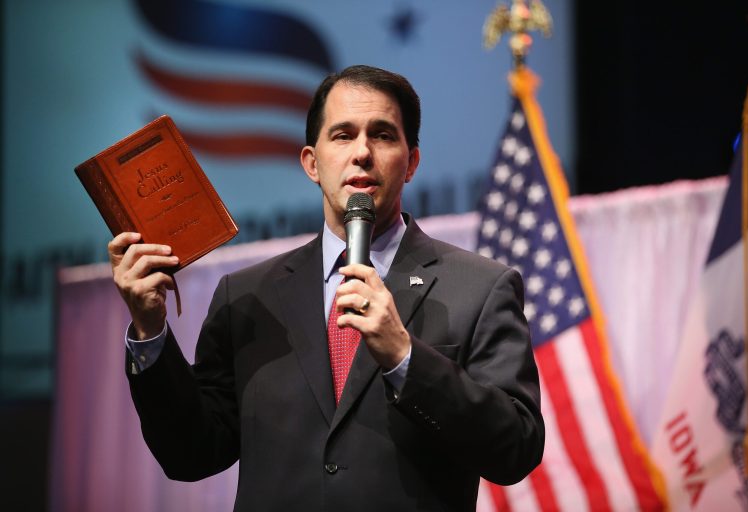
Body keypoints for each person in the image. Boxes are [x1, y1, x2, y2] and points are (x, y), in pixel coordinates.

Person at [108, 64, 544, 511]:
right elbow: (190, 453)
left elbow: (516, 448)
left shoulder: (480, 287)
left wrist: (404, 357)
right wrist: (149, 332)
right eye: (342, 135)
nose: (362, 153)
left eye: (382, 135)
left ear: (411, 162)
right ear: (312, 163)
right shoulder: (245, 298)